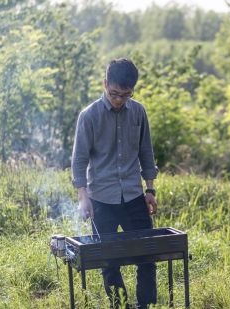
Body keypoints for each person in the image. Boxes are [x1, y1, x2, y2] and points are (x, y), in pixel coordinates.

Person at [71, 58, 158, 308]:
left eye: (126, 95)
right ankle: (119, 305)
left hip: (133, 196)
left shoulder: (139, 112)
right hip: (101, 199)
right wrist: (83, 197)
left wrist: (150, 189)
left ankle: (147, 305)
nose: (119, 100)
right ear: (105, 84)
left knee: (147, 256)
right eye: (114, 94)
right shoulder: (89, 116)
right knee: (109, 261)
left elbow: (146, 153)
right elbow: (79, 160)